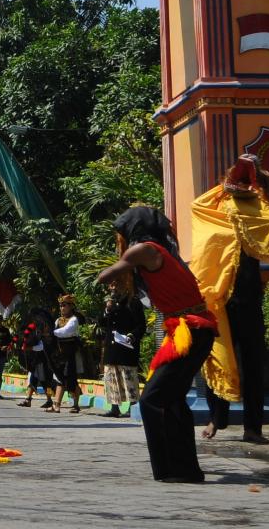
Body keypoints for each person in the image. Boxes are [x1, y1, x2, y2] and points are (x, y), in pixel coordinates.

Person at [97, 206, 217, 483]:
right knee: (172, 399)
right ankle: (184, 470)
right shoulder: (158, 249)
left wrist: (110, 271)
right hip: (191, 329)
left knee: (152, 399)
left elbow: (106, 276)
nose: (120, 241)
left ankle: (175, 469)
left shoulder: (143, 250)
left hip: (190, 329)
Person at [191, 154, 269, 444]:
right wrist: (224, 186)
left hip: (249, 295)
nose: (236, 186)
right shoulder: (216, 205)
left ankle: (252, 428)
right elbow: (196, 205)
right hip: (219, 296)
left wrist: (259, 180)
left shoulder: (258, 207)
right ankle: (216, 419)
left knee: (252, 362)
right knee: (217, 354)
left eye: (242, 181)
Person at [100, 280, 146, 417]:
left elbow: (141, 325)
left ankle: (133, 407)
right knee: (111, 377)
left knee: (128, 377)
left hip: (126, 347)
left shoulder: (133, 302)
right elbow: (101, 323)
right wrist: (107, 310)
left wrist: (132, 335)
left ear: (124, 285)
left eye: (115, 284)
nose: (112, 287)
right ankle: (115, 407)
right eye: (111, 285)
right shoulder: (109, 304)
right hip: (112, 347)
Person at [50, 295, 83, 413]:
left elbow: (66, 332)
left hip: (71, 353)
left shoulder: (74, 319)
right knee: (60, 377)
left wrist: (51, 332)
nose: (62, 308)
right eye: (60, 305)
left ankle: (75, 405)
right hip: (60, 353)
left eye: (64, 305)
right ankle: (56, 405)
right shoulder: (57, 320)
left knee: (70, 378)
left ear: (71, 306)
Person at [16, 309, 55, 409]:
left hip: (45, 361)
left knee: (46, 382)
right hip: (37, 360)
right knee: (33, 379)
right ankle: (28, 399)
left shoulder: (50, 333)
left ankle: (49, 400)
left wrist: (30, 348)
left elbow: (42, 347)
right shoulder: (37, 330)